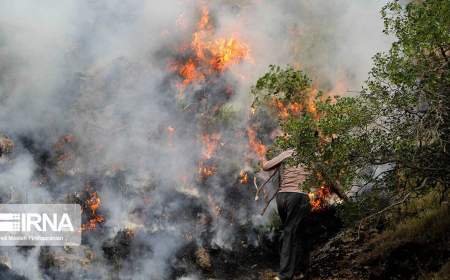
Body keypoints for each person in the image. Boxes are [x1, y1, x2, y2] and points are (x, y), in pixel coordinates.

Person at [261, 149, 312, 280]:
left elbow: (265, 166)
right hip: (298, 197)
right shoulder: (312, 153)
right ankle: (285, 275)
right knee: (291, 233)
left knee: (292, 232)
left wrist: (261, 157)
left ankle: (298, 270)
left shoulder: (287, 153)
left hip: (282, 198)